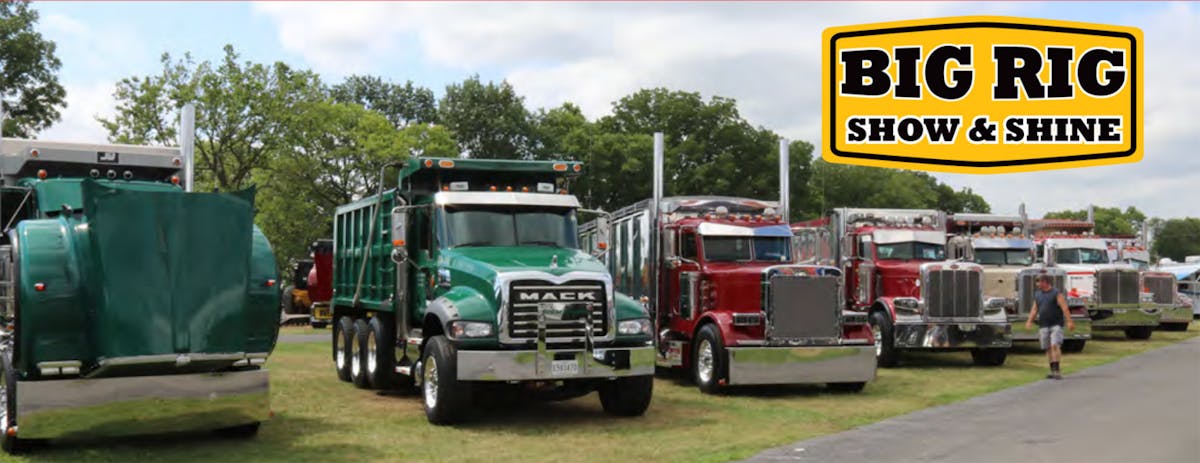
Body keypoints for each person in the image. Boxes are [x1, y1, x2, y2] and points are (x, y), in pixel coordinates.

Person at [1025, 274, 1075, 379]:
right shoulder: (1038, 295)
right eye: (1037, 282)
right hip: (1043, 324)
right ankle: (1052, 370)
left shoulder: (1056, 293)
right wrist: (1029, 321)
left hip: (1056, 324)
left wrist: (1069, 321)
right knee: (1047, 348)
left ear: (1045, 282)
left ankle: (1057, 370)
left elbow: (1064, 307)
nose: (1037, 284)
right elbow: (1034, 309)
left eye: (1039, 282)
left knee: (1055, 345)